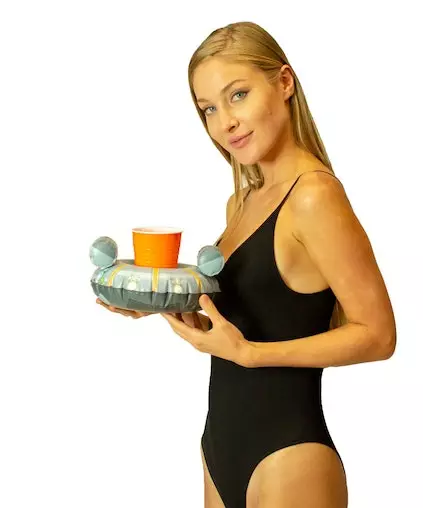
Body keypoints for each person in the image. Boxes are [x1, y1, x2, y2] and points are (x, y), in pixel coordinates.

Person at [98, 21, 396, 508]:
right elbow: (252, 315)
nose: (225, 122)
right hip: (220, 447)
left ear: (284, 82)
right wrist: (163, 304)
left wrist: (250, 353)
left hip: (288, 455)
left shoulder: (314, 196)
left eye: (237, 95)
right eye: (209, 109)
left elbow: (379, 335)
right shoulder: (240, 203)